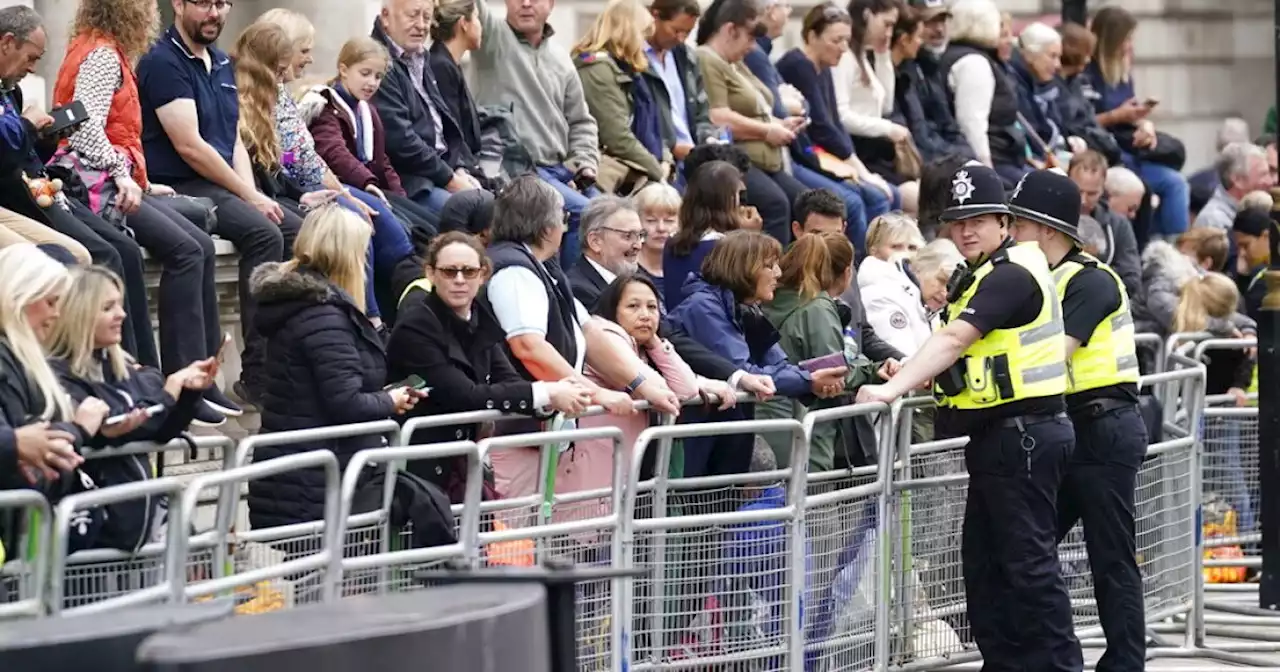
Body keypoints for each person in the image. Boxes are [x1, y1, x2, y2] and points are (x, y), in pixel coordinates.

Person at [856, 164, 1082, 671]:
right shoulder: (985, 273)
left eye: (977, 220)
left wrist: (891, 389)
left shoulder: (1012, 273)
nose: (965, 231)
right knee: (985, 569)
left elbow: (955, 339)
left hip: (1023, 437)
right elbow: (965, 357)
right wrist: (910, 368)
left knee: (1027, 568)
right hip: (1000, 439)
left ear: (1004, 222)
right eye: (957, 222)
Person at [52, 0, 233, 420]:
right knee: (188, 250)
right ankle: (182, 377)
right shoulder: (100, 56)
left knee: (201, 243)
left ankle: (203, 377)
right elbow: (83, 129)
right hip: (99, 185)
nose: (153, 9)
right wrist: (122, 172)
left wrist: (145, 180)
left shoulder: (98, 48)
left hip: (120, 181)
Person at [1007, 169, 1145, 672]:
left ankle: (1125, 664)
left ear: (1046, 228)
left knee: (1110, 558)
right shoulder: (1046, 279)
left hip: (1104, 427)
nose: (1011, 232)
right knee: (1032, 550)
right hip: (1069, 430)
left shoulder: (1091, 280)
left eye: (1018, 222)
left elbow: (1054, 352)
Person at [136, 0, 305, 406]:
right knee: (264, 232)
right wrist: (248, 198)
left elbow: (231, 142)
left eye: (223, 3)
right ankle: (257, 371)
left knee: (296, 226)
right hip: (180, 184)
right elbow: (191, 146)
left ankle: (291, 358)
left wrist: (256, 195)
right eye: (204, 3)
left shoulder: (222, 63)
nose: (215, 13)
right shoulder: (163, 62)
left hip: (219, 183)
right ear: (177, 4)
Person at [478, 175, 681, 494]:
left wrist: (643, 384)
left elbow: (590, 331)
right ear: (546, 227)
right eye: (563, 217)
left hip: (548, 435)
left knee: (552, 538)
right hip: (518, 435)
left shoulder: (545, 268)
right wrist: (597, 394)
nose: (565, 226)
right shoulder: (515, 271)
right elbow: (528, 347)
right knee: (518, 538)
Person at [0, 6, 158, 373]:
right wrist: (26, 126)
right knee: (82, 256)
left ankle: (138, 369)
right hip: (21, 194)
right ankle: (93, 370)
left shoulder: (10, 90)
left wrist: (46, 135)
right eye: (30, 57)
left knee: (123, 250)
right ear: (7, 43)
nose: (33, 68)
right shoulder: (100, 55)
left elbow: (20, 152)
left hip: (37, 186)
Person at [247, 205, 424, 530]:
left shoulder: (306, 306)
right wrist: (391, 400)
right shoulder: (324, 316)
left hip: (306, 474)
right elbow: (346, 402)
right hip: (316, 482)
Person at [238, 18, 420, 328]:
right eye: (304, 50)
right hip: (285, 192)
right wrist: (348, 190)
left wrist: (354, 191)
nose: (309, 58)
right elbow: (309, 157)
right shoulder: (319, 103)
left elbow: (303, 157)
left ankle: (412, 315)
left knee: (395, 224)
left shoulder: (283, 94)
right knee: (355, 221)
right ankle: (370, 319)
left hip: (303, 185)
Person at [386, 232, 591, 497]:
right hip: (418, 471)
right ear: (431, 273)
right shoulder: (416, 326)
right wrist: (548, 392)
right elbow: (465, 395)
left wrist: (552, 400)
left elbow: (509, 380)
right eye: (449, 272)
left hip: (462, 466)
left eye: (469, 272)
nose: (459, 280)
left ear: (483, 274)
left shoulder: (480, 319)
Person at [666, 229, 847, 477]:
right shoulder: (703, 307)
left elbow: (780, 364)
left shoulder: (747, 308)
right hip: (697, 440)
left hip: (728, 437)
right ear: (744, 268)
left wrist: (816, 375)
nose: (779, 274)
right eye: (770, 266)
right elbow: (745, 372)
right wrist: (808, 380)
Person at [468, 0, 601, 264]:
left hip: (562, 169)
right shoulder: (491, 38)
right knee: (585, 214)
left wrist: (584, 164)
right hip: (517, 170)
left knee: (614, 216)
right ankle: (573, 294)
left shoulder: (561, 58)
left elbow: (581, 121)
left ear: (551, 4)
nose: (526, 3)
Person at [759, 232, 879, 470]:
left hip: (768, 426)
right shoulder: (817, 308)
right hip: (806, 437)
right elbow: (832, 375)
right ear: (847, 272)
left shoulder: (769, 298)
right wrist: (871, 370)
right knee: (809, 503)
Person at [694, 0, 807, 245]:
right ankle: (769, 273)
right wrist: (767, 131)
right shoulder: (707, 58)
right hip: (738, 158)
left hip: (767, 160)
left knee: (804, 200)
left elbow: (759, 107)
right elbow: (717, 116)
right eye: (749, 37)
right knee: (775, 203)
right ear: (729, 30)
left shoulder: (735, 63)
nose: (752, 46)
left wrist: (779, 123)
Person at [303, 36, 439, 235]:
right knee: (406, 234)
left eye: (378, 77)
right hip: (341, 186)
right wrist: (367, 181)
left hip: (369, 184)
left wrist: (399, 194)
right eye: (365, 73)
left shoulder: (368, 110)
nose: (372, 83)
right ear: (343, 70)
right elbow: (334, 152)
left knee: (429, 225)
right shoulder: (326, 105)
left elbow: (381, 160)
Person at [0, 245, 104, 493]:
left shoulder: (22, 358)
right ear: (19, 298)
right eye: (51, 302)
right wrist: (76, 431)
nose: (57, 314)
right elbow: (23, 462)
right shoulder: (9, 361)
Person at [369, 0, 487, 217]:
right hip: (411, 181)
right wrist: (451, 179)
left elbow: (445, 125)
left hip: (440, 170)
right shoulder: (377, 62)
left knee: (505, 207)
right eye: (413, 15)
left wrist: (459, 169)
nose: (422, 25)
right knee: (478, 213)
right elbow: (401, 142)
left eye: (426, 16)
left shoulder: (420, 56)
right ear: (386, 16)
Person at [1085, 6, 1189, 239]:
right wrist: (1116, 116)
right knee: (1152, 190)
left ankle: (1170, 246)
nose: (1130, 45)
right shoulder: (1088, 75)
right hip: (1110, 156)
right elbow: (1082, 123)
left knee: (1175, 183)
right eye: (1127, 39)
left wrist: (1144, 125)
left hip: (1131, 150)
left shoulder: (1122, 73)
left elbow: (1130, 113)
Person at [574, 0, 671, 192]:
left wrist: (665, 159)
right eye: (643, 35)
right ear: (627, 32)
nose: (644, 45)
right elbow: (616, 137)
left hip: (629, 163)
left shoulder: (628, 69)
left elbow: (653, 127)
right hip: (598, 165)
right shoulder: (597, 69)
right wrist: (657, 170)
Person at [937, 0, 1028, 185]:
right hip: (995, 159)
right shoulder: (974, 63)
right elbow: (972, 123)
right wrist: (986, 170)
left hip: (1002, 156)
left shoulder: (956, 55)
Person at [891, 4, 973, 163]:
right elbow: (919, 134)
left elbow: (948, 125)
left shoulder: (928, 66)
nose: (939, 30)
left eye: (942, 22)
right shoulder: (902, 73)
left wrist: (966, 155)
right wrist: (959, 159)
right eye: (930, 23)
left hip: (944, 153)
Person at [642, 0, 715, 177]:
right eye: (676, 30)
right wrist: (671, 148)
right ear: (655, 15)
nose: (681, 38)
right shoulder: (634, 60)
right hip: (659, 160)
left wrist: (708, 141)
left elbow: (701, 111)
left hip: (694, 158)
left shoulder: (687, 58)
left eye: (687, 33)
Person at [1068, 150, 1141, 303]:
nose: (1083, 200)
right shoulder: (1050, 219)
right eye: (1077, 191)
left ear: (1103, 189)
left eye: (1092, 193)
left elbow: (1132, 278)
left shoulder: (1118, 225)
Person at [858, 213, 933, 357]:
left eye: (912, 247)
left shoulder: (914, 287)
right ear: (874, 250)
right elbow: (900, 350)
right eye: (896, 247)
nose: (906, 254)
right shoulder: (878, 291)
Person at [633, 182, 680, 301]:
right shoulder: (627, 267)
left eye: (669, 221)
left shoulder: (687, 266)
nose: (661, 228)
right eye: (651, 221)